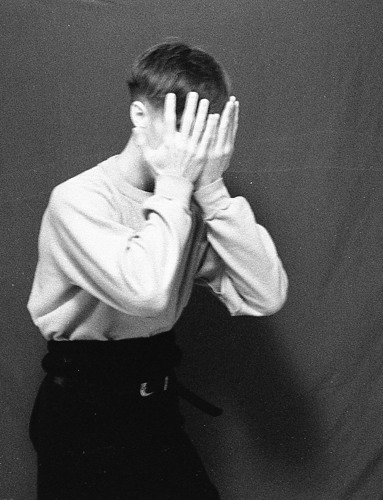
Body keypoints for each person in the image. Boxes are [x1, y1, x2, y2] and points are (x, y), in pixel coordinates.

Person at [27, 40, 288, 499]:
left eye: (204, 133)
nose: (192, 150)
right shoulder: (77, 200)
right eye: (183, 128)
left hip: (154, 410)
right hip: (82, 417)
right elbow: (145, 292)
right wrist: (174, 187)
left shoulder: (187, 203)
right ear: (139, 116)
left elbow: (265, 295)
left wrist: (214, 191)